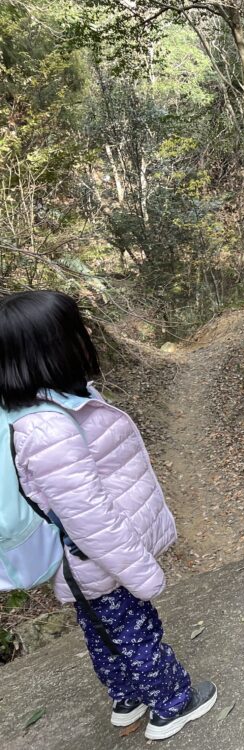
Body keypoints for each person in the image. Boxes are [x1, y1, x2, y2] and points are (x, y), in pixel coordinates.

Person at [0, 290, 216, 741]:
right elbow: (89, 517)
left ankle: (125, 698)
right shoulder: (48, 429)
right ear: (48, 349)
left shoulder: (45, 406)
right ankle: (172, 705)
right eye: (74, 332)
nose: (86, 337)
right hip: (98, 561)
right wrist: (142, 572)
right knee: (138, 634)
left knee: (103, 632)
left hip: (85, 563)